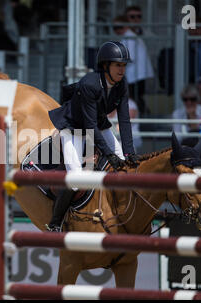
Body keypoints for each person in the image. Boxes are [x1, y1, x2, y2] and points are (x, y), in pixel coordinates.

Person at [46, 41, 139, 232]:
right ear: (105, 66)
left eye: (124, 65)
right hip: (73, 128)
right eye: (117, 65)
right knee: (76, 179)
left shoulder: (122, 85)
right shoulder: (90, 84)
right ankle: (56, 222)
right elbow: (89, 126)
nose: (122, 70)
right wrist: (107, 153)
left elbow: (124, 120)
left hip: (98, 124)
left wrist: (129, 153)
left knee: (124, 165)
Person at [113, 15, 154, 116]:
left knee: (135, 96)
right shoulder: (129, 37)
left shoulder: (130, 38)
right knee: (136, 96)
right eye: (115, 28)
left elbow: (129, 56)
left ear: (126, 26)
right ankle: (143, 113)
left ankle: (144, 114)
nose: (117, 30)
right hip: (136, 74)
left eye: (120, 27)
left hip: (137, 74)